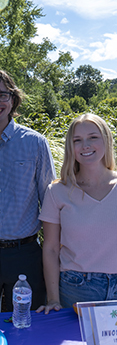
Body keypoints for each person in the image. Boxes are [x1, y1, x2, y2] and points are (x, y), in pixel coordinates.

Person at [0, 69, 55, 312]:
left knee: (28, 327)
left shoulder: (35, 143)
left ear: (13, 100)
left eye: (3, 95)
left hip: (25, 254)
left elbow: (50, 202)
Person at [37, 114, 117, 314]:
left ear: (106, 140)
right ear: (70, 147)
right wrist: (53, 298)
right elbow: (51, 249)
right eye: (77, 140)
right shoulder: (57, 191)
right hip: (76, 289)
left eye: (93, 137)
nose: (85, 145)